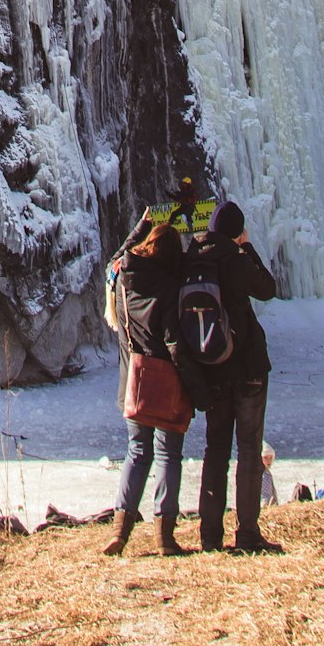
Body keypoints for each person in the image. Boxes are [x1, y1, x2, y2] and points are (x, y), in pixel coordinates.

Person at [104, 221, 197, 557]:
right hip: (166, 381)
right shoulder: (170, 288)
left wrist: (139, 226)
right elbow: (174, 341)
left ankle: (120, 531)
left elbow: (119, 256)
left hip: (133, 381)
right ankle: (164, 536)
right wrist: (194, 381)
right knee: (168, 455)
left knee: (136, 452)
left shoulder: (121, 279)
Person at [195, 200, 279, 555]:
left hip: (212, 368)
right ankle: (247, 534)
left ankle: (210, 535)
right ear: (236, 231)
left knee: (215, 450)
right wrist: (247, 247)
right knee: (248, 449)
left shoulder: (195, 261)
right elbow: (267, 288)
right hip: (246, 369)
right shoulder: (236, 259)